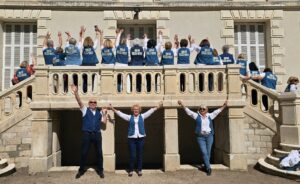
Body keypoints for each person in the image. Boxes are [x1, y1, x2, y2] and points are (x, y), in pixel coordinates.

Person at [109, 102, 162, 177]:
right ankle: (131, 170)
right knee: (132, 155)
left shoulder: (142, 116)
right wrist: (112, 108)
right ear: (132, 110)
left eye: (137, 109)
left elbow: (150, 111)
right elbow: (120, 114)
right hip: (132, 139)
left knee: (140, 155)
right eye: (134, 109)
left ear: (139, 110)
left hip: (141, 138)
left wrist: (158, 106)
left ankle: (139, 170)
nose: (136, 110)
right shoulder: (129, 117)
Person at [177, 100, 227, 176]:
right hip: (200, 137)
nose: (202, 110)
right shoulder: (197, 116)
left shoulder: (210, 115)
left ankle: (205, 166)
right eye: (201, 109)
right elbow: (188, 112)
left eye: (204, 109)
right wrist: (182, 104)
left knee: (208, 153)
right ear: (199, 110)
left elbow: (217, 111)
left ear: (207, 110)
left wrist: (224, 106)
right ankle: (208, 168)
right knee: (204, 152)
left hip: (209, 136)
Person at [71, 84, 107, 179]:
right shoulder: (85, 110)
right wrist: (76, 93)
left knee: (99, 153)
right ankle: (81, 170)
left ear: (96, 103)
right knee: (84, 152)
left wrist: (105, 114)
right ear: (89, 103)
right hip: (87, 134)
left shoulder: (99, 112)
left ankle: (100, 170)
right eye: (91, 102)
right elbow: (79, 102)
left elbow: (104, 122)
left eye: (94, 102)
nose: (93, 103)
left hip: (97, 134)